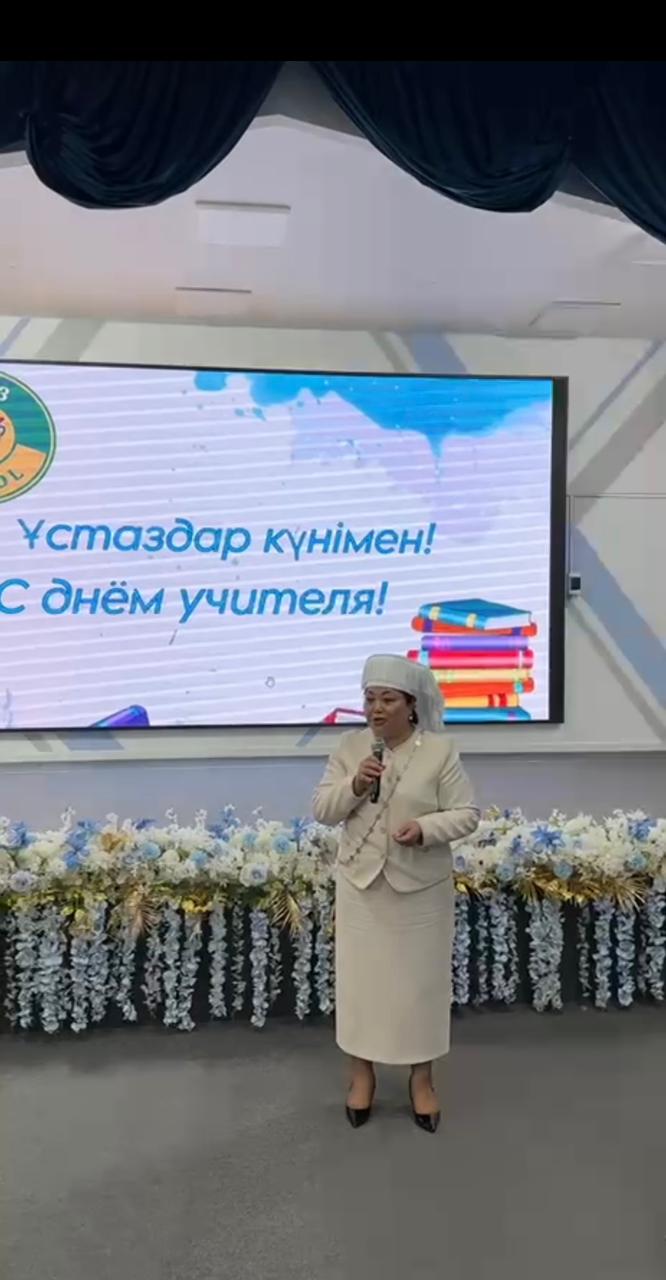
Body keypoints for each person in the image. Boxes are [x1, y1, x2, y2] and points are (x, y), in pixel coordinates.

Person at [312, 654, 480, 1133]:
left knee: (417, 987)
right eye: (370, 699)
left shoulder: (439, 751)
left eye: (388, 699)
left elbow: (467, 814)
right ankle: (360, 1075)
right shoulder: (350, 747)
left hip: (420, 890)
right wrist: (355, 783)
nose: (376, 709)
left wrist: (425, 828)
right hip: (361, 887)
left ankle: (421, 1080)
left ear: (411, 705)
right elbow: (323, 809)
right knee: (362, 986)